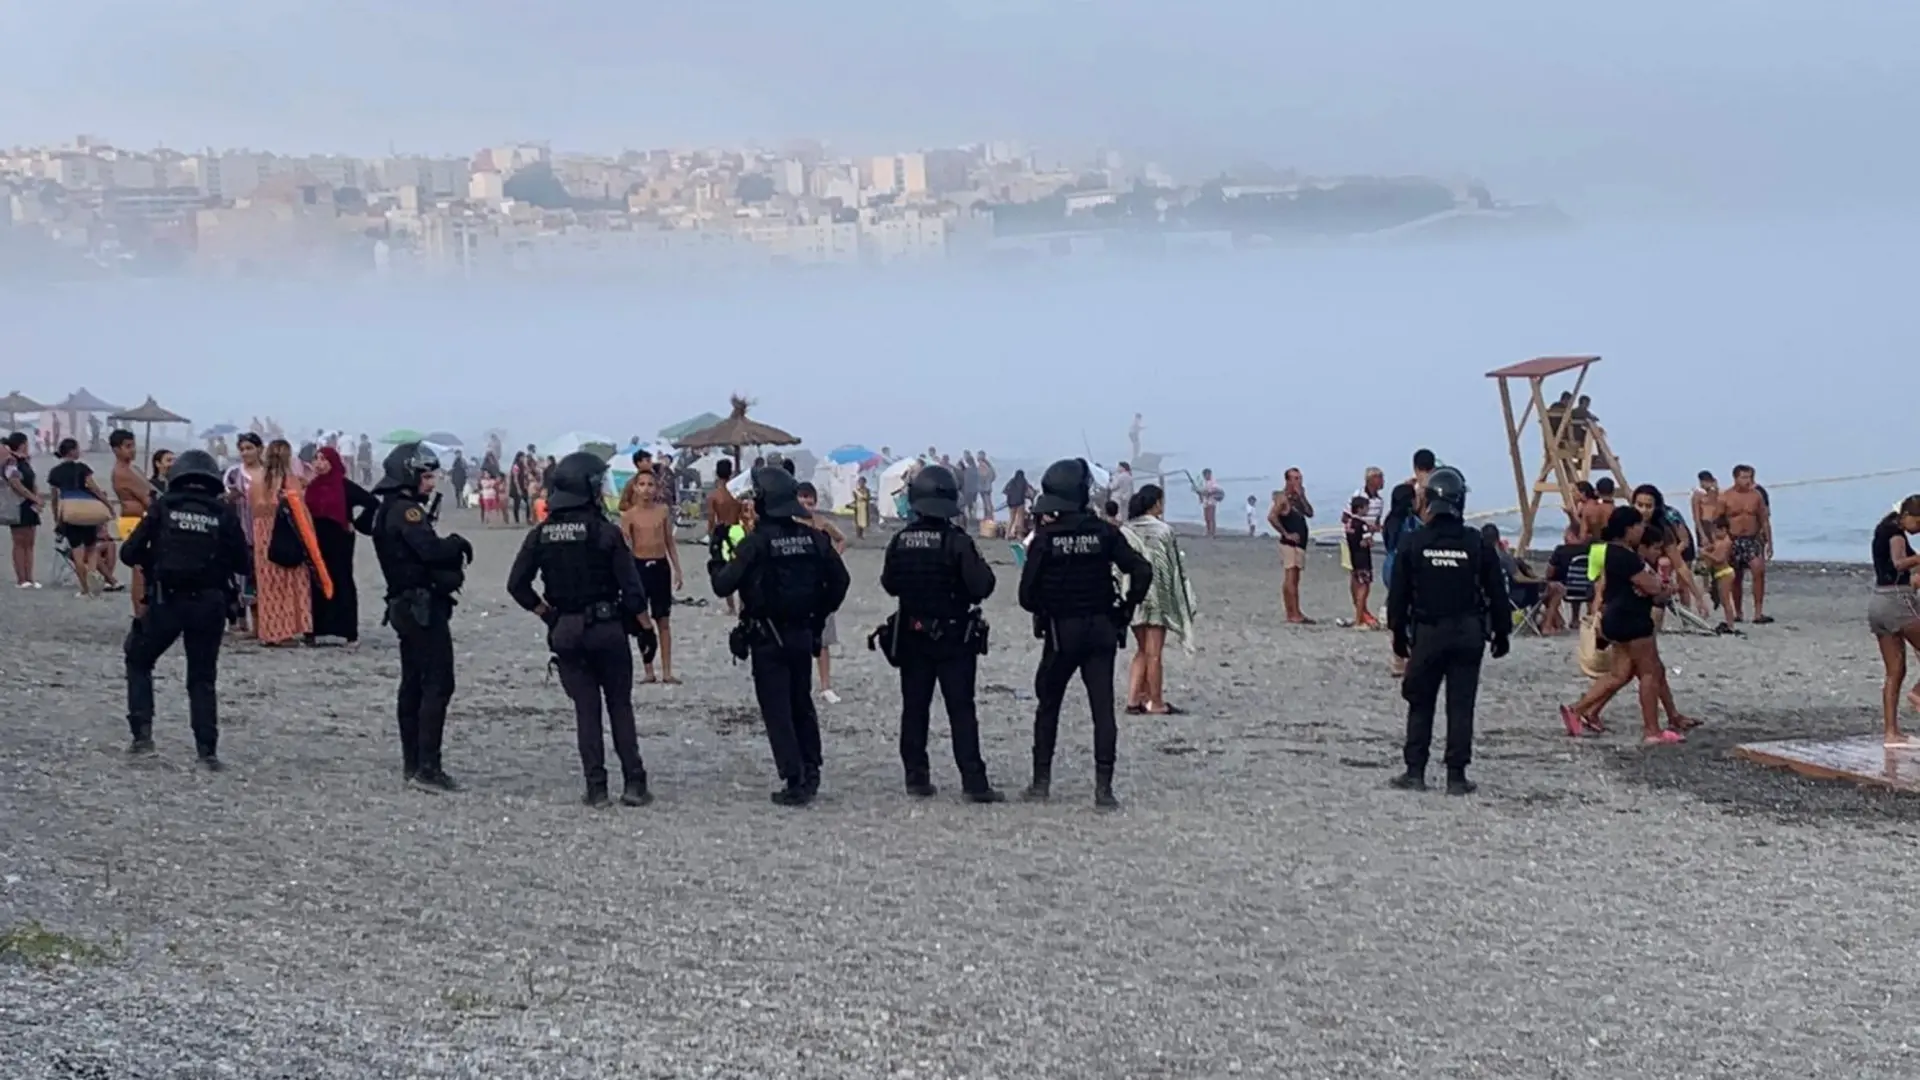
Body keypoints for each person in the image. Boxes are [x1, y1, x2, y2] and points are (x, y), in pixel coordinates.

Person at [508, 451, 656, 807]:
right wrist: (645, 629)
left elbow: (517, 585)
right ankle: (634, 783)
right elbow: (634, 594)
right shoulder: (605, 533)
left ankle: (596, 787)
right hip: (607, 628)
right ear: (589, 488)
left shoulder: (541, 535)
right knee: (619, 705)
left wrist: (549, 615)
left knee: (586, 710)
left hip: (567, 629)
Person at [710, 467, 851, 806]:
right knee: (801, 701)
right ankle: (812, 769)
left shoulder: (755, 543)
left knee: (777, 708)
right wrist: (819, 615)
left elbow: (722, 585)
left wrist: (716, 555)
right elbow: (840, 581)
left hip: (767, 635)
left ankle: (793, 777)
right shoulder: (814, 538)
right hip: (803, 631)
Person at [1018, 458, 1152, 810]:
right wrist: (1126, 608)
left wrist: (1048, 604)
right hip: (1102, 628)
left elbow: (1025, 596)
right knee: (1102, 708)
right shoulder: (1105, 532)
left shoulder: (1046, 538)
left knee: (1048, 704)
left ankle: (1041, 782)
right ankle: (1103, 789)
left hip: (1062, 632)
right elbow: (1141, 569)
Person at [120, 450, 251, 770]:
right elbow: (243, 564)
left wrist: (155, 563)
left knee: (139, 658)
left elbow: (128, 552)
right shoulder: (223, 512)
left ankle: (143, 736)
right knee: (202, 677)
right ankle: (207, 751)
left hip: (168, 600)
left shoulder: (164, 507)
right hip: (210, 603)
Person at [880, 465, 1004, 802]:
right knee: (961, 710)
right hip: (953, 638)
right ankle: (973, 782)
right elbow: (983, 586)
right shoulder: (957, 542)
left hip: (912, 634)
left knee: (915, 708)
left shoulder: (900, 540)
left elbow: (889, 583)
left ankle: (916, 777)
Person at [1386, 465, 1510, 795]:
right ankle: (1456, 775)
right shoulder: (1477, 542)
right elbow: (1497, 592)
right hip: (1468, 632)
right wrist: (1502, 633)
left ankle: (1415, 771)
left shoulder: (1414, 542)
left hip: (1429, 632)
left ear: (1427, 501)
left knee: (1420, 700)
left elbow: (1397, 596)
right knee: (1461, 704)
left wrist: (1397, 636)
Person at [371, 442, 473, 791]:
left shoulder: (389, 509)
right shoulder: (406, 512)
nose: (431, 483)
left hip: (405, 606)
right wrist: (456, 545)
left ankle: (413, 763)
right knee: (437, 683)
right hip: (419, 607)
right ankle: (427, 766)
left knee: (413, 683)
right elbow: (428, 550)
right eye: (426, 476)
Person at [1120, 484, 1197, 715]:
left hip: (1133, 596)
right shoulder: (1163, 531)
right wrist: (1182, 600)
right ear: (1155, 503)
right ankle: (1156, 702)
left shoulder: (1126, 529)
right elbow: (1173, 569)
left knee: (1142, 649)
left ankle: (1135, 700)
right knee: (1154, 653)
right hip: (1156, 598)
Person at [305, 447, 378, 645]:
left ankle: (348, 630)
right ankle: (315, 629)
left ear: (333, 462)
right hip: (315, 538)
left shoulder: (344, 486)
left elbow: (372, 503)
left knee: (342, 579)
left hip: (340, 538)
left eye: (324, 459)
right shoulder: (312, 486)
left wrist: (356, 522)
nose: (319, 463)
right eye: (317, 459)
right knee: (316, 579)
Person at [619, 468, 683, 684]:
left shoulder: (663, 511)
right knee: (642, 621)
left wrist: (678, 570)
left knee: (663, 620)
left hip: (660, 566)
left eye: (650, 484)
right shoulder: (628, 515)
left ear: (656, 488)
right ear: (636, 488)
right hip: (638, 567)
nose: (646, 489)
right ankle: (649, 670)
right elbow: (625, 549)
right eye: (642, 484)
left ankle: (666, 670)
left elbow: (669, 542)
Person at [1871, 497, 1920, 747]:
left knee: (1895, 671)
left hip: (1878, 601)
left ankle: (1891, 733)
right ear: (1909, 516)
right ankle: (1918, 693)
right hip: (1898, 603)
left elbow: (1906, 576)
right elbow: (1899, 563)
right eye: (1919, 524)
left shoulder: (1883, 529)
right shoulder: (1896, 534)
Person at [47, 437, 120, 597]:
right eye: (78, 448)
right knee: (92, 549)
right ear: (72, 451)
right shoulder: (82, 468)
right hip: (88, 512)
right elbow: (94, 488)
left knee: (77, 553)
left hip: (70, 513)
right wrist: (108, 505)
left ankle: (85, 589)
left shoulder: (55, 472)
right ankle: (93, 580)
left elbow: (54, 498)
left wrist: (56, 518)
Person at [796, 482, 846, 704]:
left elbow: (842, 538)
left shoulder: (822, 524)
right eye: (803, 501)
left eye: (811, 502)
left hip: (821, 587)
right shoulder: (792, 524)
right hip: (798, 586)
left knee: (823, 639)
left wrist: (834, 559)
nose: (807, 505)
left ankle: (826, 685)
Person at [3, 432, 41, 587]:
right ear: (22, 444)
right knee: (19, 541)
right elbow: (15, 482)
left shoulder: (25, 461)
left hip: (29, 503)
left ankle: (29, 577)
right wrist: (33, 497)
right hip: (18, 503)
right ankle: (21, 578)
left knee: (30, 542)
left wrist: (36, 498)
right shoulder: (11, 461)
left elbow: (33, 481)